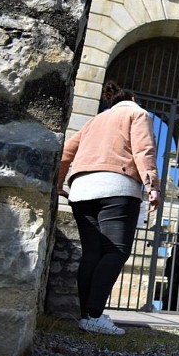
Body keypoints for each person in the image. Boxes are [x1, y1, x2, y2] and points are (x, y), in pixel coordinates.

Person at [57, 81, 160, 336]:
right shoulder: (137, 113)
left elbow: (67, 151)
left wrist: (59, 183)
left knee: (92, 252)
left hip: (81, 189)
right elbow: (143, 149)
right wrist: (152, 185)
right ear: (133, 97)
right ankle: (94, 314)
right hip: (117, 185)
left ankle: (88, 315)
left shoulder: (94, 121)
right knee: (116, 250)